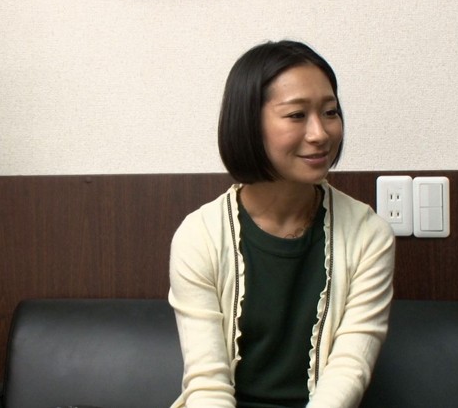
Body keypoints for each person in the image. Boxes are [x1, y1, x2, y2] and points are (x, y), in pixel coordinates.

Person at [168, 40, 395, 408]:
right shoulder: (199, 236)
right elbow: (207, 385)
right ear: (249, 124)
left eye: (330, 112)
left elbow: (349, 369)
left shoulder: (368, 234)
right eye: (296, 115)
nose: (320, 133)